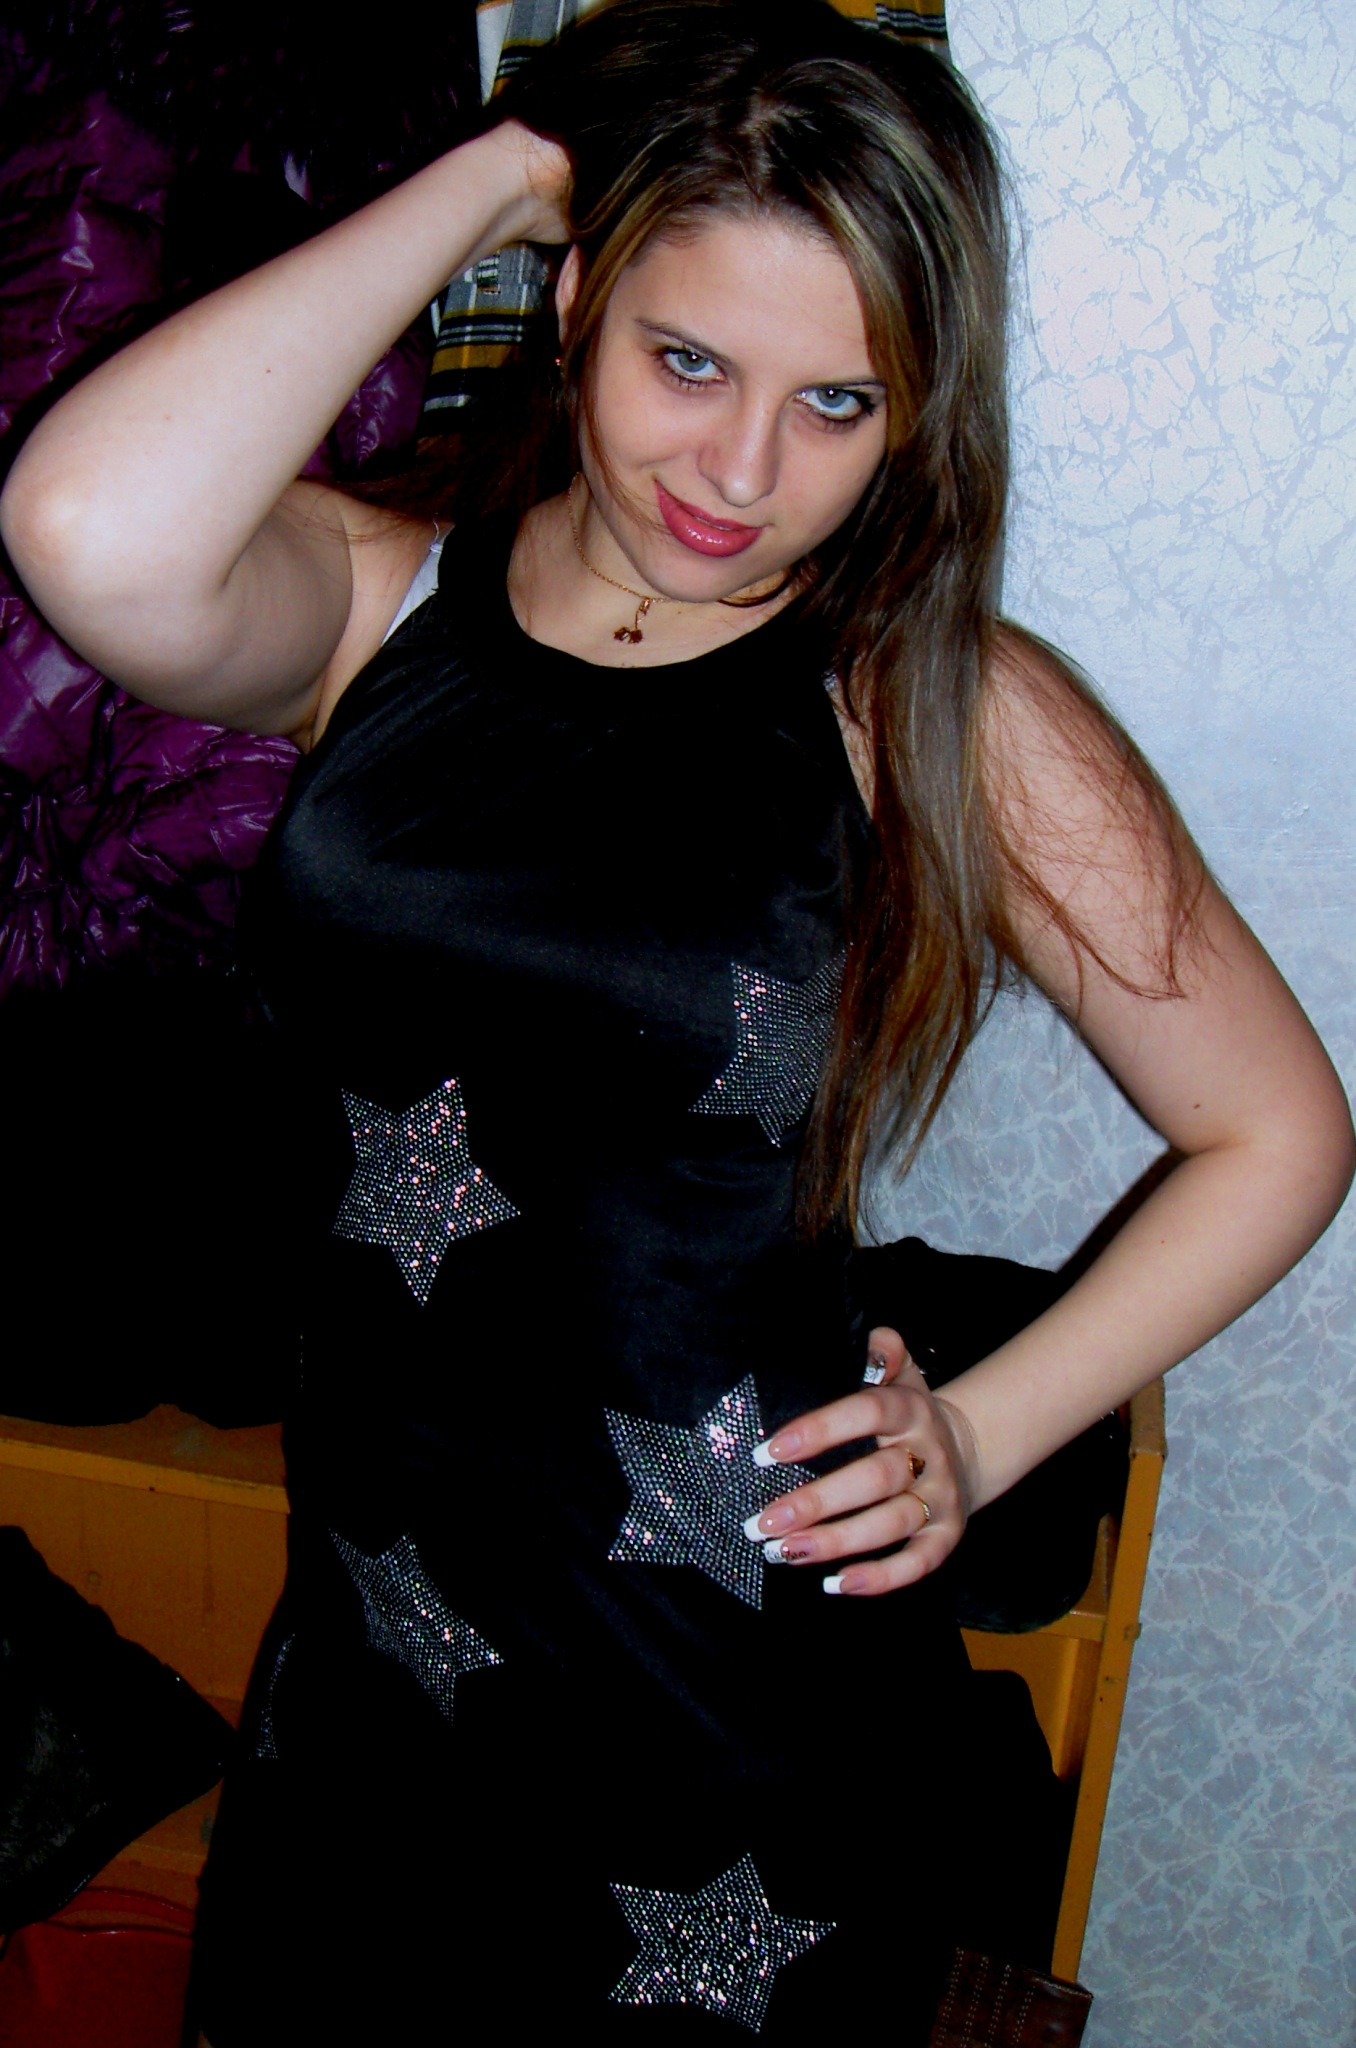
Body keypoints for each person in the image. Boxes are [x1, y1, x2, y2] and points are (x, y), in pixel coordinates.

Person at [2, 1, 1350, 2039]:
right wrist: (513, 171)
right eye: (689, 357)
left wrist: (984, 1431)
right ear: (580, 304)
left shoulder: (929, 708)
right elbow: (86, 529)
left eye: (839, 403)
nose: (740, 470)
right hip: (373, 1656)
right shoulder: (379, 604)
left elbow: (1280, 1130)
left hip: (715, 1696)